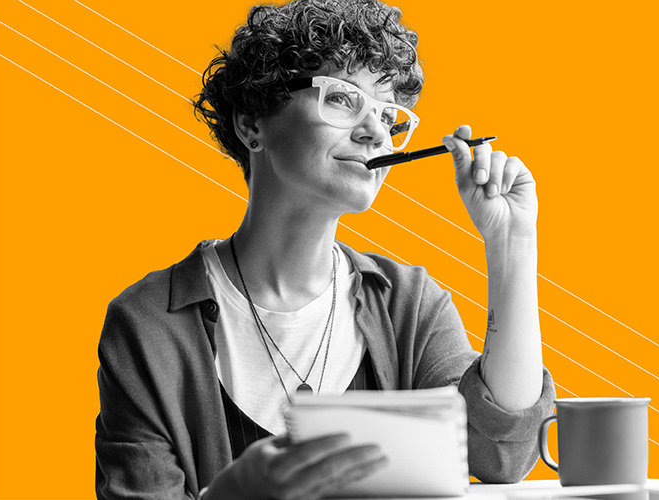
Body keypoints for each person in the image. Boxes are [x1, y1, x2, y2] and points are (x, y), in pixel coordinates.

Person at [94, 0, 555, 498]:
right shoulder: (146, 324)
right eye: (342, 99)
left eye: (388, 114)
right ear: (252, 124)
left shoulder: (408, 303)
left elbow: (499, 453)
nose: (377, 132)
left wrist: (512, 245)